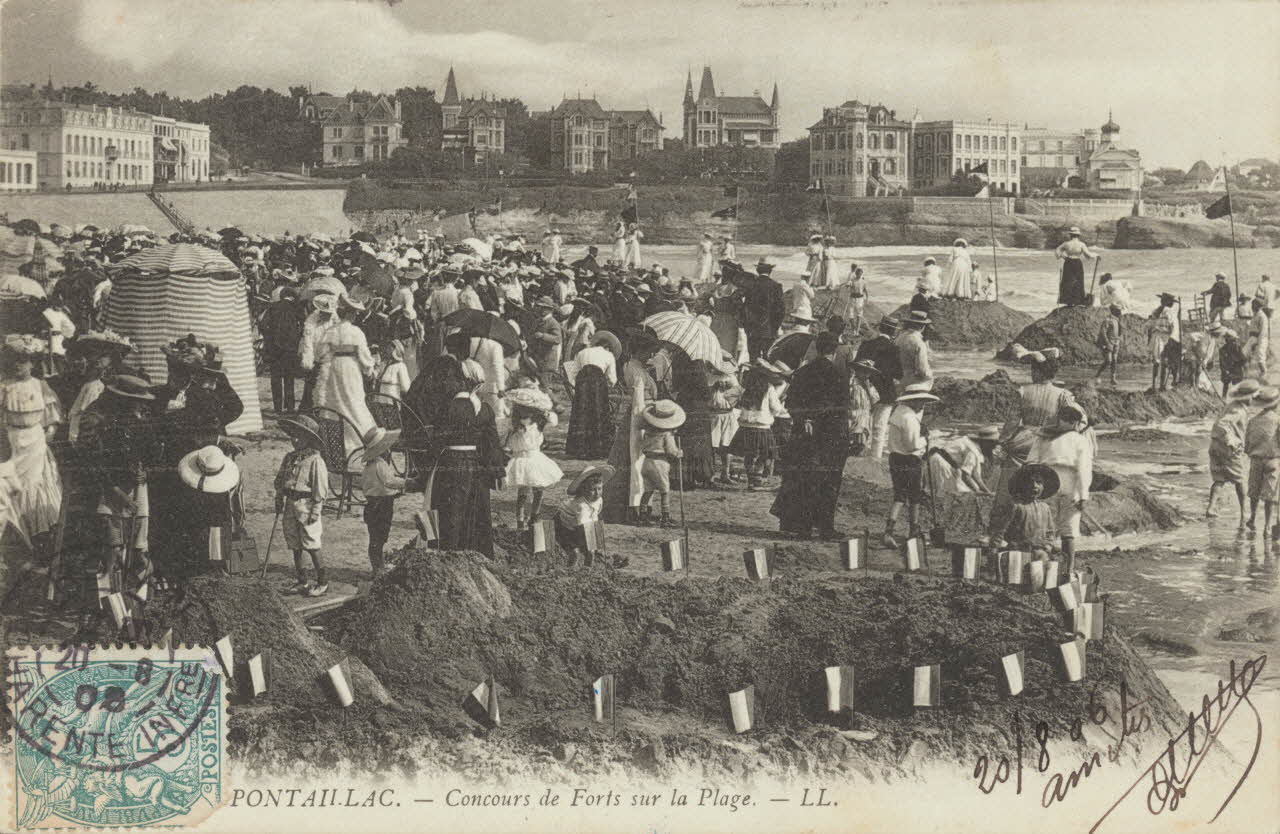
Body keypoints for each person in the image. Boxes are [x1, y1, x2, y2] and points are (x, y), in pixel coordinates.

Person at [986, 346, 1077, 542]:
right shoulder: (1063, 395)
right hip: (1047, 444)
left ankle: (997, 537)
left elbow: (1010, 424)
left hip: (1022, 443)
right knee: (1045, 490)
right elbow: (1072, 423)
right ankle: (1042, 536)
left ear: (1036, 371)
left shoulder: (1023, 391)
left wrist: (1002, 444)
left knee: (1008, 491)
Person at [421, 359, 505, 557]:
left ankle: (446, 555)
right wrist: (498, 471)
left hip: (451, 464)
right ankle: (474, 555)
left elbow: (437, 442)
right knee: (475, 512)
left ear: (462, 381)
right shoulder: (485, 409)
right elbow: (492, 444)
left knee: (449, 511)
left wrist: (425, 469)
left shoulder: (448, 407)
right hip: (475, 465)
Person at [771, 333, 852, 539]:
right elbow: (841, 409)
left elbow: (790, 404)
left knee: (802, 480)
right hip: (830, 436)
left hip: (803, 435)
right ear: (834, 351)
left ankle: (802, 526)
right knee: (829, 482)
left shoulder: (803, 372)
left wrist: (805, 419)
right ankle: (825, 527)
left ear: (816, 348)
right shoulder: (839, 375)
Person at [1, 335, 63, 562]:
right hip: (12, 440)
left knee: (34, 485)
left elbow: (52, 418)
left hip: (36, 441)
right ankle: (14, 536)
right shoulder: (4, 386)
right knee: (11, 485)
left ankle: (38, 535)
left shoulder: (41, 386)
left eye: (24, 360)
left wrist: (47, 436)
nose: (19, 365)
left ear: (33, 363)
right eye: (16, 360)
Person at [1026, 402, 1095, 574]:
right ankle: (1068, 570)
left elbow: (1031, 462)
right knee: (1068, 531)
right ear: (1075, 423)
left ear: (1060, 420)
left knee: (1046, 527)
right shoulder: (1080, 440)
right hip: (1071, 485)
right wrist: (1083, 496)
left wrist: (1034, 485)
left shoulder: (1044, 436)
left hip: (1047, 482)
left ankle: (1043, 566)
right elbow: (1084, 469)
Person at [274, 415, 331, 596]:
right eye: (293, 435)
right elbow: (281, 480)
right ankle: (302, 580)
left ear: (309, 438)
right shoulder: (289, 458)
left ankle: (322, 582)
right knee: (294, 544)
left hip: (307, 506)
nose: (295, 440)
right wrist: (279, 498)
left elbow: (320, 489)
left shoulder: (315, 461)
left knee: (312, 543)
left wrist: (316, 510)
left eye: (299, 436)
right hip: (290, 504)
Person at [316, 294, 377, 457]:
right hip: (351, 367)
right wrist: (370, 370)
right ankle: (358, 438)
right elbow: (363, 355)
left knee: (335, 399)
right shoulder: (357, 332)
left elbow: (320, 353)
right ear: (351, 314)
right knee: (353, 399)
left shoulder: (331, 331)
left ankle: (334, 438)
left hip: (335, 367)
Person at [883, 383, 938, 548]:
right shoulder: (909, 418)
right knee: (915, 496)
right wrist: (925, 439)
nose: (922, 405)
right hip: (910, 460)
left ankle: (889, 531)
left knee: (899, 496)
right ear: (913, 401)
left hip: (894, 457)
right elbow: (912, 445)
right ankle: (913, 531)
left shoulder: (898, 412)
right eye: (921, 401)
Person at [503, 387, 563, 529]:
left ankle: (535, 515)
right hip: (521, 459)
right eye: (523, 409)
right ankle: (520, 520)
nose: (526, 412)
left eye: (529, 409)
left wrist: (545, 411)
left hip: (535, 458)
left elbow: (554, 421)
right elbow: (509, 443)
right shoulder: (514, 426)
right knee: (523, 492)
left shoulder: (538, 423)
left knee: (538, 488)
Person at [730, 360, 786, 490]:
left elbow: (732, 398)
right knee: (766, 454)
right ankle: (757, 478)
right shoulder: (769, 388)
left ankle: (751, 479)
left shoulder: (745, 388)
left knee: (749, 454)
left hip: (746, 426)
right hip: (762, 427)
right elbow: (776, 408)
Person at [1207, 380, 1257, 522]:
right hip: (1228, 450)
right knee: (1240, 480)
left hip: (1215, 446)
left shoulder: (1232, 406)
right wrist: (1232, 442)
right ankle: (1244, 512)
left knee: (1219, 479)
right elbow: (1222, 424)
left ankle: (1211, 508)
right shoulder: (1238, 410)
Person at [565, 331, 619, 460]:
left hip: (582, 381)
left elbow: (574, 372)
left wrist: (576, 386)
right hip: (597, 381)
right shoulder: (608, 355)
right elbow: (612, 378)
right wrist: (611, 384)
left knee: (581, 412)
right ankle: (597, 449)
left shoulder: (582, 352)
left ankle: (578, 449)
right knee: (598, 412)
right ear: (608, 347)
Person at [854, 318, 902, 458]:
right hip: (885, 392)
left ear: (880, 328)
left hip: (865, 390)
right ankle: (875, 458)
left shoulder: (866, 344)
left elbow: (857, 366)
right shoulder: (893, 348)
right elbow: (899, 374)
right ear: (893, 332)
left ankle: (860, 456)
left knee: (862, 426)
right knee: (879, 429)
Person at [361, 427, 404, 577]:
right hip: (382, 504)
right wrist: (406, 482)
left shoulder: (369, 466)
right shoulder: (380, 464)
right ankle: (378, 568)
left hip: (372, 503)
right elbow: (390, 482)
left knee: (375, 536)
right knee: (379, 537)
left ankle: (377, 566)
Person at [638, 399, 685, 527]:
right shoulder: (667, 435)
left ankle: (642, 516)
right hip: (660, 463)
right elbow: (671, 450)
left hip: (646, 461)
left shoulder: (648, 432)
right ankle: (665, 517)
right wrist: (678, 453)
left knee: (648, 490)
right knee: (665, 491)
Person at [996, 463, 1059, 558]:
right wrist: (996, 548)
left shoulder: (1045, 508)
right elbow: (1001, 530)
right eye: (1030, 482)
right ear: (1022, 485)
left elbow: (1050, 531)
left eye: (1039, 482)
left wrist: (1049, 545)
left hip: (1040, 550)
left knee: (1043, 566)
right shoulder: (1016, 506)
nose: (1034, 485)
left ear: (1044, 486)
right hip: (1018, 551)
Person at [556, 465, 613, 565]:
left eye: (599, 489)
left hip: (580, 523)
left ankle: (593, 558)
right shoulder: (581, 506)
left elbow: (594, 517)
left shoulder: (599, 500)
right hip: (564, 525)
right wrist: (589, 545)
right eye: (593, 490)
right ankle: (575, 564)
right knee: (575, 551)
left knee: (593, 540)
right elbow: (583, 527)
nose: (597, 493)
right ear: (583, 490)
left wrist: (596, 544)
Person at [1244, 386, 1280, 537]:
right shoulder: (1278, 420)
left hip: (1256, 460)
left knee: (1254, 492)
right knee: (1270, 496)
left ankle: (1252, 518)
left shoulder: (1253, 421)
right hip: (1273, 460)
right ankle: (1266, 526)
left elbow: (1247, 445)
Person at [298, 292, 338, 410]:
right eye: (325, 314)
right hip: (315, 357)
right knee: (310, 384)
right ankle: (307, 408)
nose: (327, 316)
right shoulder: (311, 323)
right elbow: (308, 342)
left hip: (328, 358)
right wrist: (308, 359)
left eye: (328, 314)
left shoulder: (334, 323)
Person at [708, 361, 742, 485]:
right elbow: (706, 394)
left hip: (728, 413)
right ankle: (710, 474)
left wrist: (729, 388)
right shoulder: (710, 377)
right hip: (714, 414)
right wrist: (714, 387)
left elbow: (739, 393)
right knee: (712, 445)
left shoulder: (732, 377)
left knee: (727, 445)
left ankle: (725, 473)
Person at [1055, 227, 1098, 307]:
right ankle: (1077, 300)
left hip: (1068, 262)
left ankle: (1068, 301)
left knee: (1067, 280)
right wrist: (1096, 255)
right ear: (1078, 235)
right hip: (1077, 263)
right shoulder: (1081, 244)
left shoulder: (1066, 244)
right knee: (1078, 281)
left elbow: (1057, 251)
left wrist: (1062, 256)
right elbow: (1088, 256)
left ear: (1070, 235)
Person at [1146, 293, 1181, 392]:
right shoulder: (1170, 312)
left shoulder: (1156, 312)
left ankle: (1154, 385)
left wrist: (1150, 337)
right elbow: (1174, 328)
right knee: (1165, 363)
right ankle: (1162, 386)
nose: (1173, 305)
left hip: (1155, 338)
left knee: (1156, 362)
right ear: (1169, 303)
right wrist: (1174, 340)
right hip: (1165, 339)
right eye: (1172, 302)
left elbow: (1148, 325)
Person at [894, 310, 933, 391]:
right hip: (913, 383)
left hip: (899, 381)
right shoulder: (919, 343)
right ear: (922, 326)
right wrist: (930, 375)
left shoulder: (899, 338)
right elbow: (922, 370)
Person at [1093, 304, 1122, 386]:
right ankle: (1097, 375)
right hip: (1108, 343)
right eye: (1118, 310)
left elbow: (1119, 331)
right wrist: (1107, 343)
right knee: (1108, 360)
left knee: (1114, 361)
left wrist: (1118, 339)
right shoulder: (1107, 320)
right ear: (1113, 311)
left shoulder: (1117, 320)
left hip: (1116, 343)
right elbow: (1103, 332)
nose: (1120, 312)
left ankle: (1113, 378)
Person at [1245, 298, 1271, 380]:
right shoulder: (1255, 315)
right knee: (1244, 353)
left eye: (1254, 305)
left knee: (1260, 358)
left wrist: (1257, 343)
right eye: (1252, 304)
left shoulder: (1262, 316)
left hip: (1261, 338)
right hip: (1253, 338)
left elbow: (1263, 331)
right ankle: (1248, 374)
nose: (1252, 306)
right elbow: (1251, 328)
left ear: (1258, 306)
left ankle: (1264, 375)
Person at [1219, 329, 1247, 396]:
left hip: (1235, 369)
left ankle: (1236, 398)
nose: (1233, 342)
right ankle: (1224, 398)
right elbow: (1221, 362)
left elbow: (1243, 359)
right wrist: (1225, 370)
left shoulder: (1237, 348)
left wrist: (1238, 365)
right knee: (1226, 385)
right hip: (1229, 369)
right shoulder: (1223, 349)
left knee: (1236, 386)